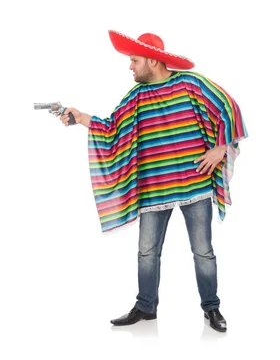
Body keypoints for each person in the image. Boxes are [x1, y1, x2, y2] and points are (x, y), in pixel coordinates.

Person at [60, 30, 247, 332]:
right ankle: (146, 307)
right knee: (147, 252)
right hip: (153, 189)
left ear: (151, 59)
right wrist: (80, 116)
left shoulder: (191, 83)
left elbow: (228, 108)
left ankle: (211, 309)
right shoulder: (136, 96)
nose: (130, 67)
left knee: (203, 251)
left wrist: (221, 147)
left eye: (134, 60)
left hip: (194, 184)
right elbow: (111, 128)